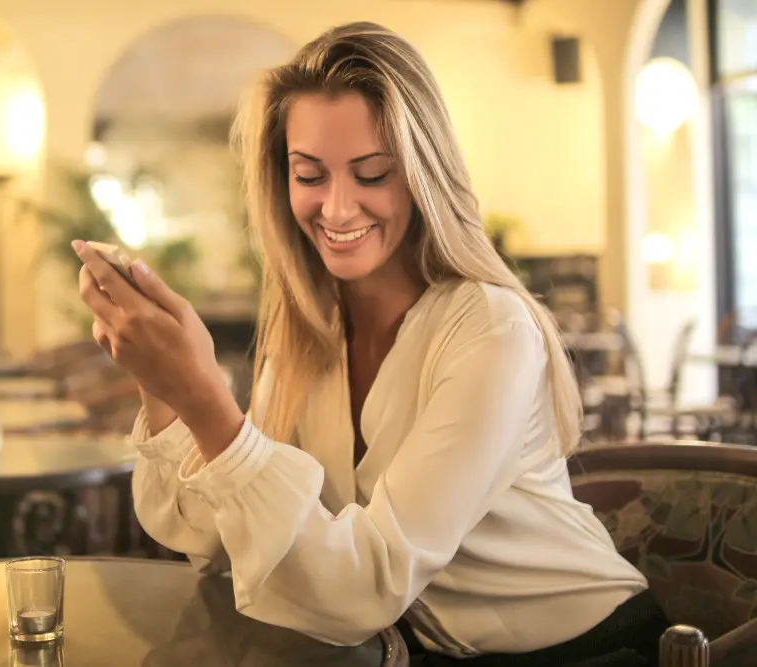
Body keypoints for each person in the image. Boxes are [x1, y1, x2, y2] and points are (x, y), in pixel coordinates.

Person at [72, 22, 669, 667]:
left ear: (422, 176)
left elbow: (364, 586)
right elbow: (213, 540)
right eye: (309, 174)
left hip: (585, 651)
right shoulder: (308, 334)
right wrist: (163, 386)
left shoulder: (491, 331)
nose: (336, 208)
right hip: (412, 650)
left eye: (371, 173)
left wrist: (207, 396)